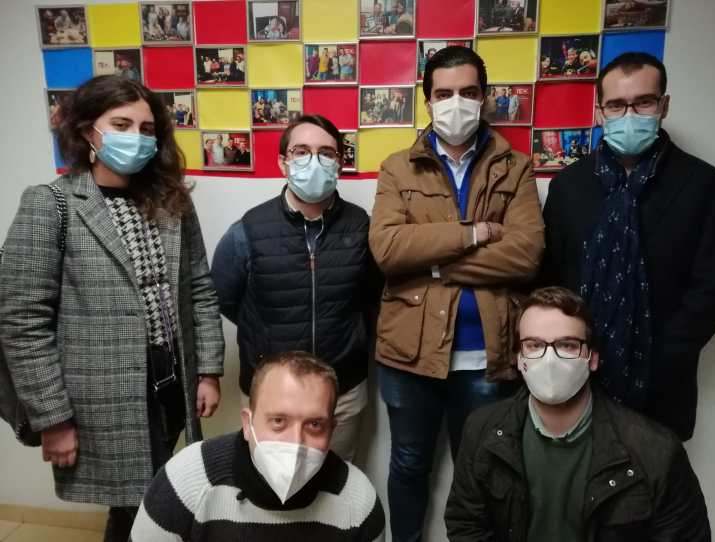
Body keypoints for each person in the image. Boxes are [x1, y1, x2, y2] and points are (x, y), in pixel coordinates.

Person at [0, 75, 224, 542]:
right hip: (101, 397)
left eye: (147, 129)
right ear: (88, 131)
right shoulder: (51, 204)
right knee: (135, 507)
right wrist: (53, 418)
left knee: (155, 496)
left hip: (169, 384)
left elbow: (199, 288)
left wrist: (206, 370)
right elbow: (23, 321)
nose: (137, 137)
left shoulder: (172, 202)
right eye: (122, 125)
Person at [369, 46, 544, 542]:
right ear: (427, 100)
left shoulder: (516, 167)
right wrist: (473, 234)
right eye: (444, 93)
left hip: (487, 355)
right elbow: (387, 249)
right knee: (408, 464)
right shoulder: (397, 168)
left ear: (484, 97)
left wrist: (434, 263)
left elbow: (525, 256)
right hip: (408, 355)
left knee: (484, 471)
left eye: (468, 92)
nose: (456, 103)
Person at [540, 51, 715, 441]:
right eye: (616, 105)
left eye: (643, 102)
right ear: (599, 112)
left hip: (662, 382)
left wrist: (663, 356)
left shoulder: (704, 185)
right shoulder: (568, 186)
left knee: (654, 477)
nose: (629, 114)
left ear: (663, 106)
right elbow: (551, 277)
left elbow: (712, 288)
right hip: (575, 374)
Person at [446, 286, 711, 541]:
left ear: (592, 358)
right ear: (518, 358)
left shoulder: (655, 450)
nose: (550, 359)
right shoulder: (481, 430)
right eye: (534, 345)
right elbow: (466, 523)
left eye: (567, 345)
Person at [211, 115, 381, 463]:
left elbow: (373, 298)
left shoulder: (361, 227)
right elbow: (225, 299)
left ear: (340, 162)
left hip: (342, 391)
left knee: (335, 481)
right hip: (271, 392)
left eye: (326, 153)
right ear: (283, 162)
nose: (314, 161)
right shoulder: (248, 229)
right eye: (301, 152)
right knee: (268, 482)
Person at [131, 352, 385, 541]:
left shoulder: (358, 503)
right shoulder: (184, 481)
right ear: (247, 423)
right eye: (278, 421)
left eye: (315, 424)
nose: (295, 443)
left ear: (332, 429)